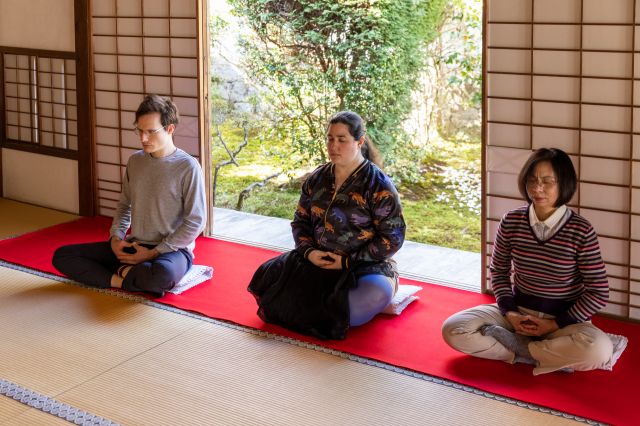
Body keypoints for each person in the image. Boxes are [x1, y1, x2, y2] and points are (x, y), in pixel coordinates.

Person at [442, 148, 613, 375]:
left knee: (598, 351)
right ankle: (544, 356)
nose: (537, 188)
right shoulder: (512, 220)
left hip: (562, 323)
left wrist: (554, 324)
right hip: (517, 314)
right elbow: (499, 271)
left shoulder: (581, 230)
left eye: (547, 181)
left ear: (564, 183)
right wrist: (511, 314)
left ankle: (521, 350)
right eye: (532, 180)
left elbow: (598, 291)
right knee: (454, 329)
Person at [248, 111, 406, 338]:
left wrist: (347, 261)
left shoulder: (378, 184)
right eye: (330, 138)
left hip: (362, 266)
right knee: (266, 280)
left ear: (359, 142)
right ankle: (321, 303)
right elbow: (300, 221)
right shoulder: (318, 177)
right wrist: (310, 253)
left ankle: (385, 289)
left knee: (359, 309)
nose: (334, 146)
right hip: (318, 260)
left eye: (342, 139)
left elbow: (392, 238)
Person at [53, 94, 207, 297]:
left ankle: (120, 274)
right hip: (134, 245)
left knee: (162, 275)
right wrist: (116, 239)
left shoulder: (188, 166)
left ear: (170, 129)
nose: (143, 138)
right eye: (140, 131)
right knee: (63, 256)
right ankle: (123, 278)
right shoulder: (136, 161)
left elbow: (196, 221)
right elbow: (125, 205)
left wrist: (154, 252)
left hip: (172, 251)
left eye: (151, 132)